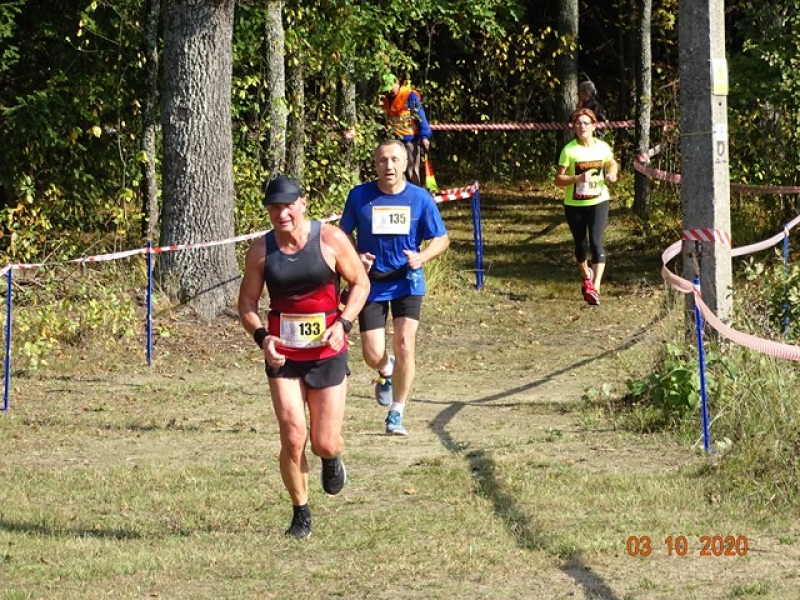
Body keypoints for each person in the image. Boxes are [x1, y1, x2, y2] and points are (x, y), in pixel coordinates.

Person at [238, 175, 370, 539]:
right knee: (293, 436)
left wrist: (344, 323)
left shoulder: (330, 239)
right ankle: (301, 514)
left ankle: (331, 457)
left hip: (327, 350)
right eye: (274, 208)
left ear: (303, 203)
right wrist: (262, 338)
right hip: (283, 356)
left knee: (323, 441)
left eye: (288, 206)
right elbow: (247, 304)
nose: (282, 214)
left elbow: (361, 283)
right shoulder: (261, 251)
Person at [339, 139, 449, 436]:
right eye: (382, 160)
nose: (388, 165)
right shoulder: (359, 196)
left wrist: (421, 257)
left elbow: (441, 239)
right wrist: (356, 256)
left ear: (405, 164)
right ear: (376, 164)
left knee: (404, 344)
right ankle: (386, 369)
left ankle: (396, 413)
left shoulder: (420, 198)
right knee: (372, 354)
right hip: (371, 282)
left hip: (407, 281)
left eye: (394, 160)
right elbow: (342, 233)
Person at [554, 108, 619, 306]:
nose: (582, 126)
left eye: (586, 123)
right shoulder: (569, 150)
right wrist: (577, 178)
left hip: (599, 201)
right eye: (578, 123)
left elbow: (612, 163)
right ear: (574, 127)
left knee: (596, 243)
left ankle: (595, 289)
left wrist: (612, 173)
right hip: (575, 204)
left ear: (594, 126)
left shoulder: (602, 147)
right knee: (581, 246)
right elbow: (558, 180)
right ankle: (585, 274)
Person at [379, 72, 432, 188]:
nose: (389, 91)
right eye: (386, 89)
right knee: (398, 171)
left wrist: (425, 136)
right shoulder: (385, 98)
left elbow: (421, 116)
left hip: (410, 140)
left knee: (411, 170)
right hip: (393, 141)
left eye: (390, 88)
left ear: (397, 83)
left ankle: (416, 194)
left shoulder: (409, 95)